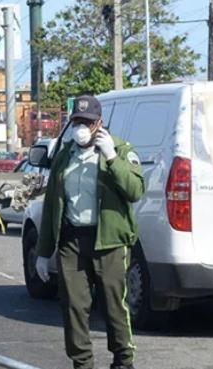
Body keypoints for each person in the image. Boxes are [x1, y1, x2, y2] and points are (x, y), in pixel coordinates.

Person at [34, 94, 144, 369]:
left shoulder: (120, 150)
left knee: (113, 306)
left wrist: (112, 157)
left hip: (108, 241)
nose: (81, 128)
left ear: (99, 124)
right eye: (77, 122)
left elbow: (135, 191)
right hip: (73, 240)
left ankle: (123, 360)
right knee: (73, 306)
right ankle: (82, 363)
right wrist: (43, 252)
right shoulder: (64, 156)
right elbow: (51, 205)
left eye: (87, 122)